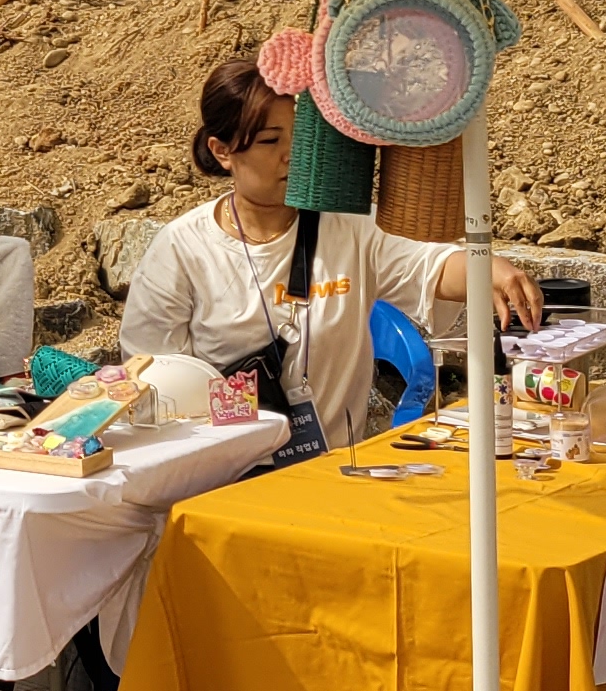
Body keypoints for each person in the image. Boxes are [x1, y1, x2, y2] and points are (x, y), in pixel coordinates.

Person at [119, 51, 545, 460]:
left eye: (301, 136)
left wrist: (488, 269)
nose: (291, 154)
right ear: (222, 151)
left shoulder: (349, 225)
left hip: (334, 468)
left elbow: (431, 265)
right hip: (223, 475)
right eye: (270, 140)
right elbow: (152, 379)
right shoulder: (181, 250)